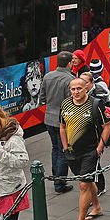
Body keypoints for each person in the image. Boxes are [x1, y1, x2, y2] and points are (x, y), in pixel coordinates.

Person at [60, 78, 110, 220]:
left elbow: (107, 126)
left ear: (86, 89)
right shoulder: (65, 104)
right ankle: (96, 207)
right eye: (73, 89)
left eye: (79, 88)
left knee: (83, 185)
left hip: (90, 151)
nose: (76, 92)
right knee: (88, 183)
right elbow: (62, 127)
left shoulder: (96, 104)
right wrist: (65, 146)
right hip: (72, 152)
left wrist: (99, 147)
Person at [41, 51, 78, 192]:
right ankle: (60, 183)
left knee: (55, 148)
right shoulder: (70, 79)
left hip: (49, 119)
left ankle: (55, 176)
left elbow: (42, 97)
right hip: (64, 121)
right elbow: (72, 101)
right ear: (69, 63)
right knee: (64, 150)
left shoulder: (47, 76)